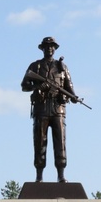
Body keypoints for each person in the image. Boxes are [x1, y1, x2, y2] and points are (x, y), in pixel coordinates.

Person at [20, 36, 77, 183]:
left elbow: (69, 87)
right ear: (42, 48)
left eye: (52, 46)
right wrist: (37, 87)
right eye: (47, 46)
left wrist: (73, 97)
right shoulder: (35, 66)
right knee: (39, 142)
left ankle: (61, 175)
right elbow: (24, 85)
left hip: (58, 109)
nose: (50, 49)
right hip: (41, 108)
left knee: (60, 142)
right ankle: (39, 176)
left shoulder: (62, 67)